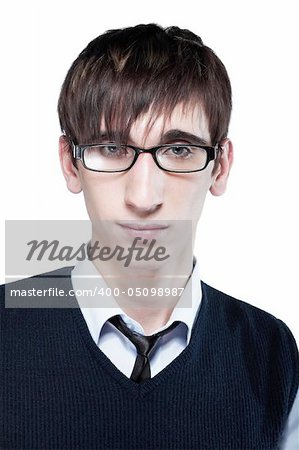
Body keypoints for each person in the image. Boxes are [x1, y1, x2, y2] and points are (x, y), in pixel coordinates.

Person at [1, 23, 298, 450]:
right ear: (70, 163)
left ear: (221, 166)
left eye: (178, 150)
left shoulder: (273, 354)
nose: (143, 196)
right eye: (111, 148)